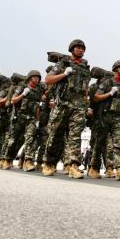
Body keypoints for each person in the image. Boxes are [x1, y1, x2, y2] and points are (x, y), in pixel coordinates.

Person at [42, 39, 91, 177]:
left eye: (82, 48)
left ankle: (73, 165)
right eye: (78, 47)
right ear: (71, 49)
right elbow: (48, 80)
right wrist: (64, 74)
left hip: (79, 107)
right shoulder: (63, 64)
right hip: (63, 104)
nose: (80, 50)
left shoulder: (85, 68)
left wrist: (86, 105)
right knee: (55, 135)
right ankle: (48, 163)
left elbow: (86, 89)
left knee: (75, 136)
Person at [88, 60, 120, 181]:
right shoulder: (108, 82)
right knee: (99, 143)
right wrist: (110, 93)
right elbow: (96, 97)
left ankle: (119, 169)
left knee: (118, 143)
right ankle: (93, 168)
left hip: (117, 118)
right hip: (105, 116)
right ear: (115, 69)